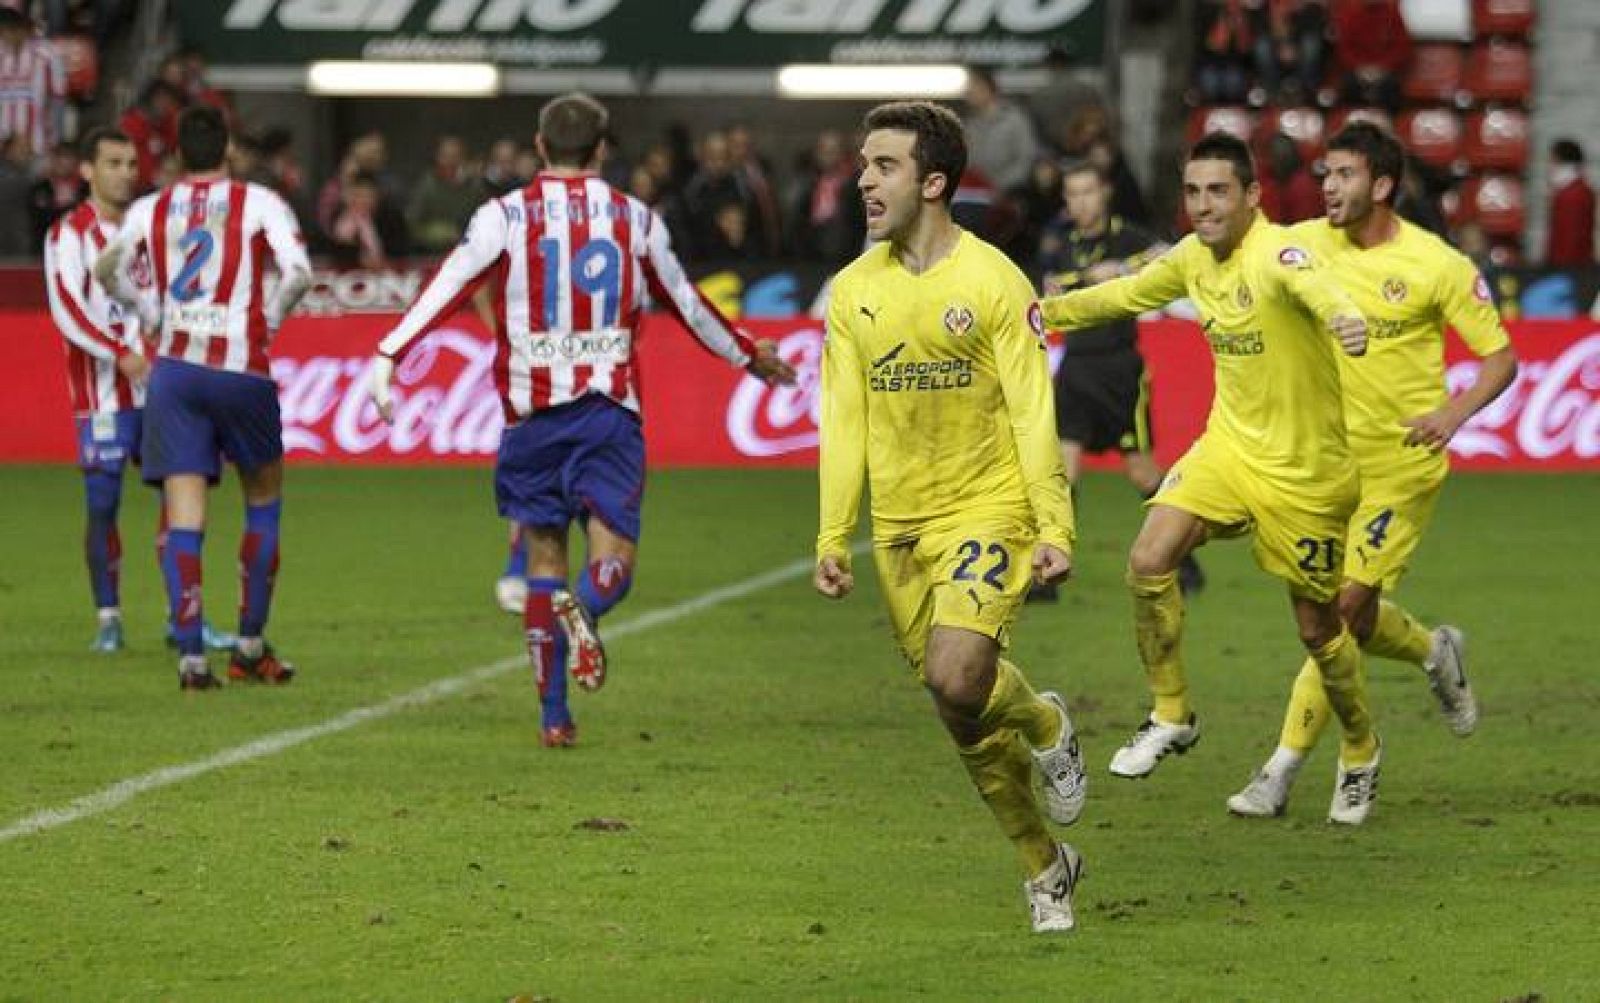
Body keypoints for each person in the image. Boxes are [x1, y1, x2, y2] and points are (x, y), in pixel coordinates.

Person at [369, 93, 794, 748]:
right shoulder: (635, 219)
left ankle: (554, 716)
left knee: (542, 558)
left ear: (540, 147)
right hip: (606, 413)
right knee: (614, 554)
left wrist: (389, 353)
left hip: (531, 419)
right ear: (602, 150)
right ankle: (588, 608)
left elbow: (447, 284)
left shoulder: (502, 216)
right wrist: (748, 356)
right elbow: (686, 304)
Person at [1041, 133, 1384, 825]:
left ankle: (1359, 746)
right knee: (1147, 557)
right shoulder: (1193, 258)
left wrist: (1346, 318)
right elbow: (1125, 292)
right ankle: (1172, 712)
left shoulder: (1280, 251)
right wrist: (1039, 314)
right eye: (1193, 191)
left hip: (1306, 476)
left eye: (1218, 190)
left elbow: (1315, 283)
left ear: (1253, 195)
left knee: (1319, 629)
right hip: (1227, 451)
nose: (1203, 205)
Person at [815, 101, 1087, 933]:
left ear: (933, 182)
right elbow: (845, 419)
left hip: (986, 505)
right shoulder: (854, 291)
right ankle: (1045, 863)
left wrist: (1053, 523)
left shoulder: (995, 282)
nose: (863, 179)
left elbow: (1032, 410)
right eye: (863, 164)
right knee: (960, 712)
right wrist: (833, 532)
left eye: (884, 165)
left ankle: (1045, 720)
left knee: (958, 674)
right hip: (900, 530)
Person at [1227, 123, 1518, 818]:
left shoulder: (1436, 264)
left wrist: (1453, 412)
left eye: (1345, 175)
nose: (1328, 186)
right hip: (1323, 467)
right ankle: (1432, 648)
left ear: (1382, 185)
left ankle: (1286, 766)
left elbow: (1501, 359)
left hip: (1400, 466)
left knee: (1343, 611)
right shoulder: (1301, 247)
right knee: (1338, 617)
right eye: (1325, 173)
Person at [95, 105, 313, 690]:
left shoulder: (151, 208)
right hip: (243, 370)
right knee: (263, 503)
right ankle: (248, 645)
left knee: (185, 513)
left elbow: (107, 267)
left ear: (175, 157)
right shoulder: (260, 202)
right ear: (229, 153)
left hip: (177, 371)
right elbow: (298, 272)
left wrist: (150, 311)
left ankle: (192, 658)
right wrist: (265, 319)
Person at [1034, 158, 1204, 602]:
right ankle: (1050, 571)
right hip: (1075, 368)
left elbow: (1169, 257)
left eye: (1088, 192)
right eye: (1073, 194)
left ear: (1103, 193)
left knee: (1142, 472)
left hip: (1119, 370)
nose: (1081, 202)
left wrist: (1122, 269)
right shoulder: (1058, 243)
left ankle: (1184, 558)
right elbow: (1049, 287)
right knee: (1062, 472)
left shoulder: (1128, 236)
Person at [43, 127, 146, 651]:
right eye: (113, 163)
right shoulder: (68, 235)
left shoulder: (152, 228)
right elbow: (68, 310)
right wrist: (121, 354)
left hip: (161, 391)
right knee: (103, 504)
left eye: (131, 164)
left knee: (183, 494)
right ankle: (109, 616)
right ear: (87, 170)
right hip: (102, 395)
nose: (125, 174)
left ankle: (185, 618)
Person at [1544, 138, 1596, 268]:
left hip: (1569, 269)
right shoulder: (1579, 190)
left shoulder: (1572, 194)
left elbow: (1571, 238)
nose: (1550, 165)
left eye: (1552, 160)